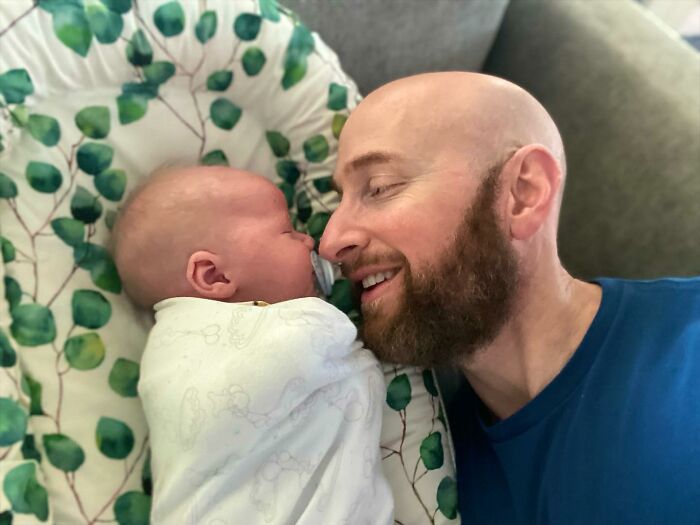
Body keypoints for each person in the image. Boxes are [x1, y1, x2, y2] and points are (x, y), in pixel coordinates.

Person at [319, 72, 700, 524]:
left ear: (523, 194)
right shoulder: (425, 474)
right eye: (339, 200)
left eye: (380, 186)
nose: (330, 241)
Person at [112, 166, 394, 524]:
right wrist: (325, 322)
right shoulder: (181, 347)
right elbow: (297, 349)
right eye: (288, 231)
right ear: (214, 275)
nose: (310, 242)